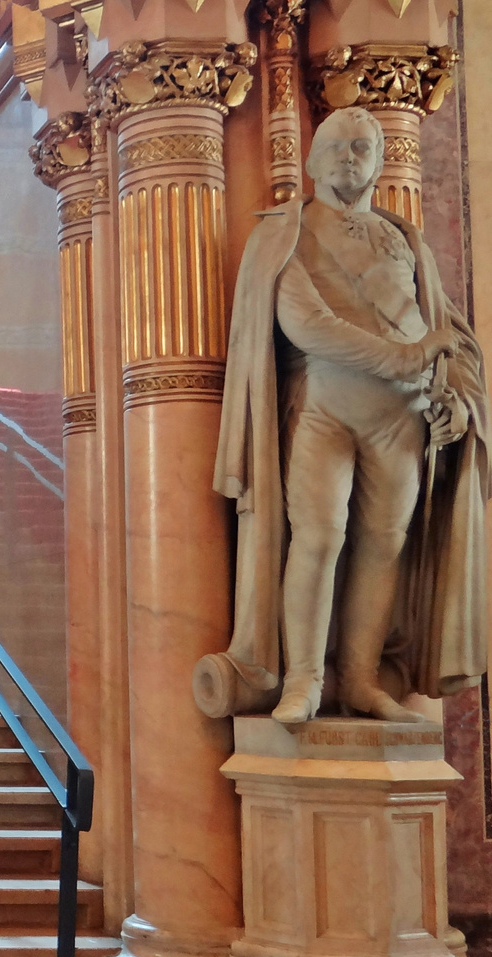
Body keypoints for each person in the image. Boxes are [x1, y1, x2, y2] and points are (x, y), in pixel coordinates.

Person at [195, 106, 486, 723]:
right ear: (310, 159)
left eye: (362, 147)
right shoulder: (283, 233)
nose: (349, 157)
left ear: (381, 161)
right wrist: (407, 358)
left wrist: (454, 398)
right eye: (336, 146)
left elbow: (448, 337)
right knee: (320, 536)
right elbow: (306, 324)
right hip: (324, 407)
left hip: (402, 419)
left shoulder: (407, 240)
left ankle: (358, 680)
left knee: (385, 543)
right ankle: (303, 679)